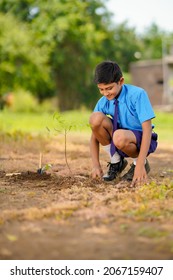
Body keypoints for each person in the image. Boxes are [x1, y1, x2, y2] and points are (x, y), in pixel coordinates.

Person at [89, 61, 158, 187]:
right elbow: (94, 134)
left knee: (119, 136)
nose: (105, 93)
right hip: (118, 136)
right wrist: (95, 165)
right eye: (101, 89)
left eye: (109, 88)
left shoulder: (137, 94)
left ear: (121, 81)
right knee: (95, 118)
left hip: (140, 138)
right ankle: (116, 162)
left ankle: (139, 163)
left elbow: (147, 130)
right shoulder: (103, 101)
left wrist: (140, 164)